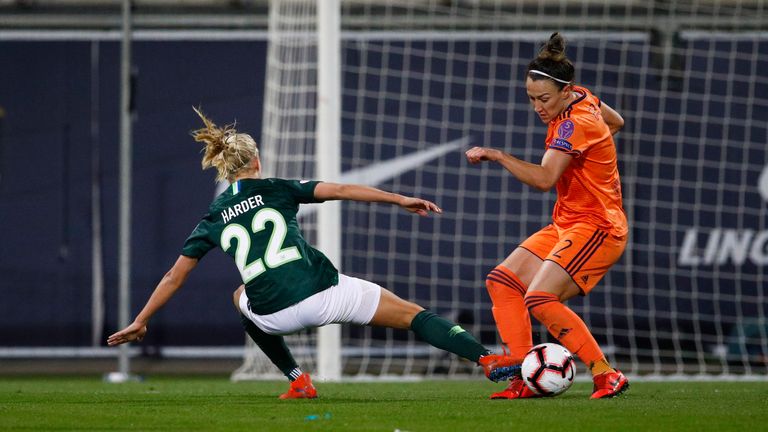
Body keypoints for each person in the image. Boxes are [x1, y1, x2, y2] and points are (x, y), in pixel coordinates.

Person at [108, 107, 519, 399]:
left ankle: (297, 380)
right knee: (413, 315)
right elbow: (339, 191)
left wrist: (141, 320)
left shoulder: (213, 215)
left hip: (274, 316)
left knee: (239, 297)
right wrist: (399, 198)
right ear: (256, 160)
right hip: (326, 294)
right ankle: (486, 360)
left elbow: (173, 276)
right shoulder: (276, 188)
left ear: (226, 169)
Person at [465, 33, 629, 399]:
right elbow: (616, 121)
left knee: (539, 298)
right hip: (568, 221)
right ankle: (525, 373)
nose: (538, 107)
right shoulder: (584, 97)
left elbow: (543, 179)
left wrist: (499, 156)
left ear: (566, 92)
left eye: (544, 99)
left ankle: (606, 374)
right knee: (502, 282)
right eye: (531, 99)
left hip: (599, 226)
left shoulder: (573, 125)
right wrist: (594, 155)